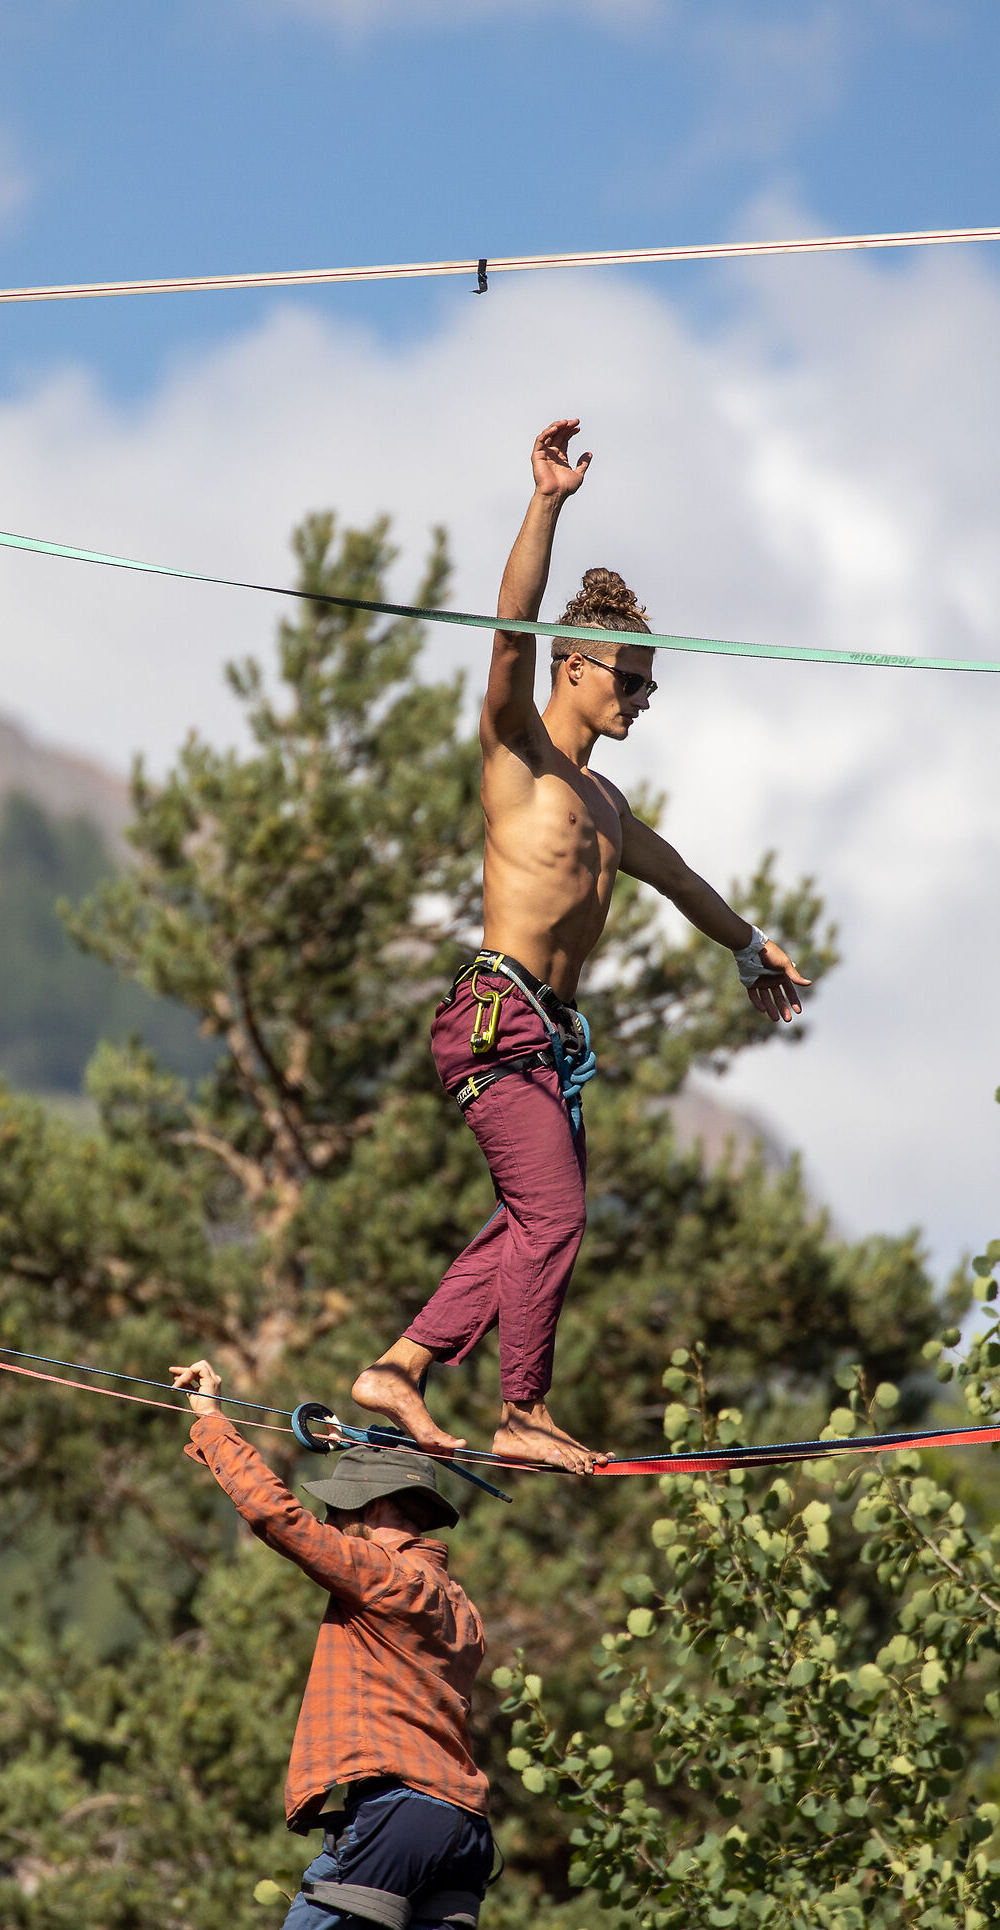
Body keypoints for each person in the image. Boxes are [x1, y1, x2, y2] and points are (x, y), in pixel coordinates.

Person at [353, 418, 809, 1473]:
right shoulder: (517, 754)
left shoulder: (606, 805)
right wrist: (546, 503)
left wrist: (751, 948)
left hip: (545, 1040)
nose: (642, 700)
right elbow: (506, 632)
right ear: (573, 668)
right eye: (629, 681)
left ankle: (400, 1366)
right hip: (495, 1020)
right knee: (554, 1215)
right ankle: (521, 1409)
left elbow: (680, 877)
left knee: (532, 1219)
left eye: (650, 685)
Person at [171, 1356, 511, 1930]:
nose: (335, 1521)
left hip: (399, 1814)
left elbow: (277, 1519)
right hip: (461, 1829)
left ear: (375, 1511)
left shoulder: (389, 1581)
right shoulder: (461, 1607)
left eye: (346, 1509)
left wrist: (212, 1423)